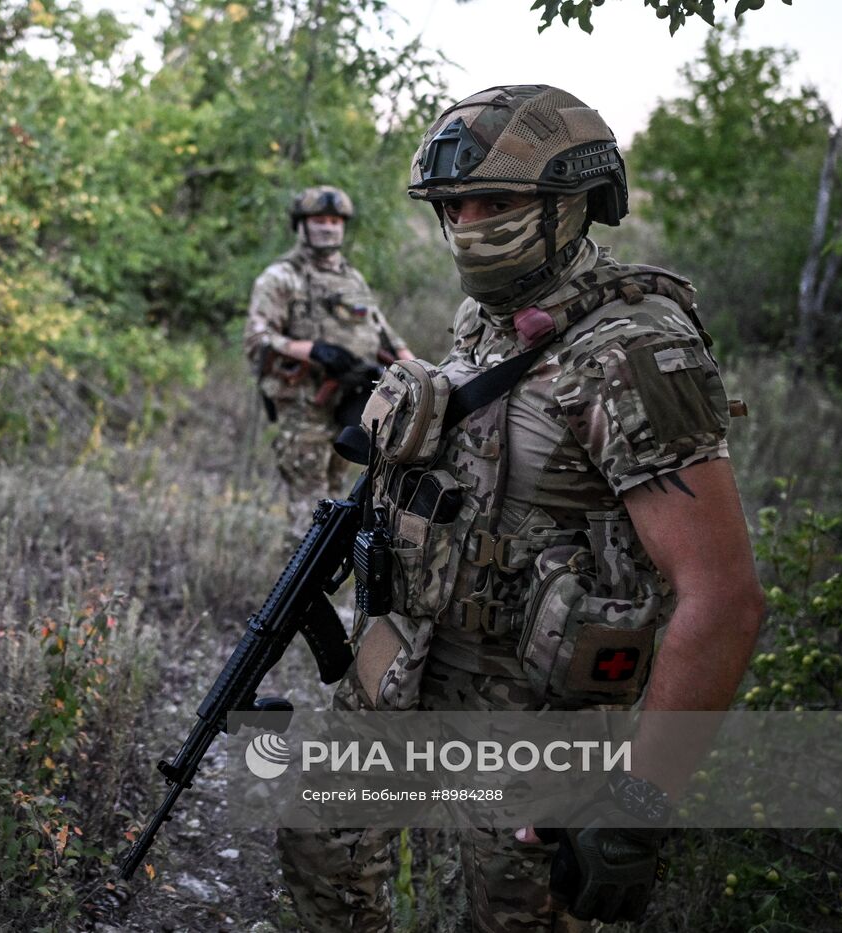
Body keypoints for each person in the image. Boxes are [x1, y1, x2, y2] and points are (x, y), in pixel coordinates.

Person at [276, 85, 765, 932]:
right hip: (408, 665)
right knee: (317, 841)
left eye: (495, 202)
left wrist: (638, 804)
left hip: (532, 719)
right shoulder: (486, 318)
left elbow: (722, 601)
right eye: (453, 206)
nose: (468, 223)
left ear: (573, 204)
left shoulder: (637, 348)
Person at [244, 186, 415, 544]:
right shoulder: (281, 277)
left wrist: (417, 371)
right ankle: (296, 596)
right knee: (309, 509)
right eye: (318, 221)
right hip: (305, 407)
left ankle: (336, 599)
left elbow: (384, 333)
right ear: (301, 226)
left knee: (342, 505)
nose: (328, 228)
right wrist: (313, 350)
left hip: (349, 406)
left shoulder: (352, 279)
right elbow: (257, 340)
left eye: (335, 221)